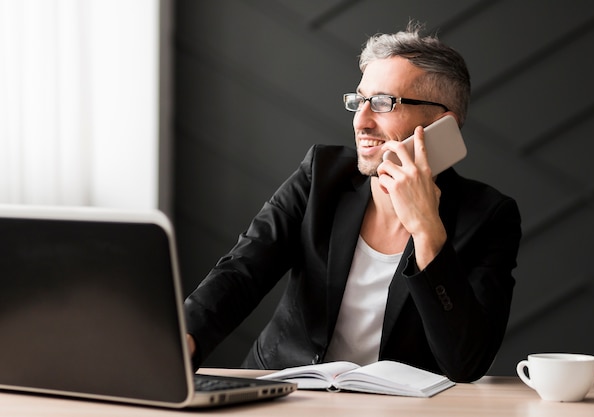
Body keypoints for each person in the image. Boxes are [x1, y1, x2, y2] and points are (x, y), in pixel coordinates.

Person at [184, 21, 522, 383]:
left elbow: (466, 363)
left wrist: (427, 233)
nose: (361, 121)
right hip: (285, 389)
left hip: (399, 409)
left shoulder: (489, 217)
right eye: (360, 101)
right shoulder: (320, 176)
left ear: (443, 123)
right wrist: (181, 338)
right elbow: (241, 272)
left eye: (382, 103)